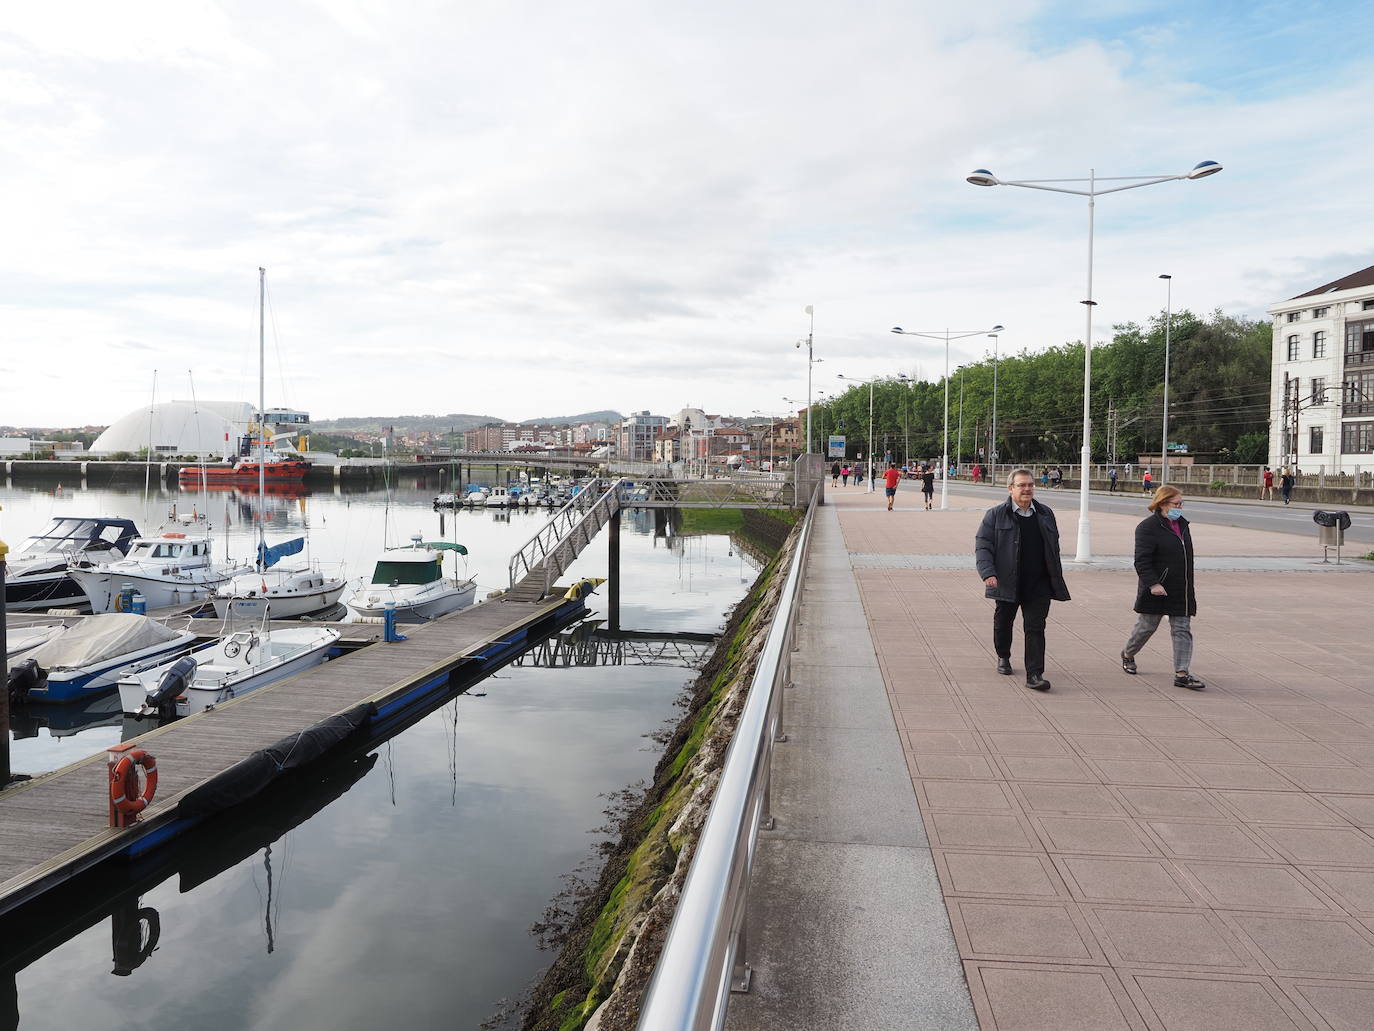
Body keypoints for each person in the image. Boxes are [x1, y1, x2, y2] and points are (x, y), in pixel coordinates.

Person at [974, 468, 1071, 692]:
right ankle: (1003, 655)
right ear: (1010, 489)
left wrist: (1054, 574)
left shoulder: (1045, 513)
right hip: (1007, 581)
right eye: (1021, 485)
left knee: (1035, 627)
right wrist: (988, 572)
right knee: (1004, 622)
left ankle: (1034, 674)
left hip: (1039, 583)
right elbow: (983, 545)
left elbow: (1053, 546)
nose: (1027, 489)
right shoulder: (995, 514)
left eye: (1030, 485)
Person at [1120, 485, 1204, 690]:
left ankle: (1182, 673)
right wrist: (1153, 583)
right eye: (1176, 504)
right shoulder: (1147, 527)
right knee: (1147, 626)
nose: (1180, 508)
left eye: (1181, 504)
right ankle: (1128, 653)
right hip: (1157, 587)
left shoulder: (1183, 525)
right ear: (1162, 504)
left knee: (1182, 629)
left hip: (1181, 587)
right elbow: (1142, 561)